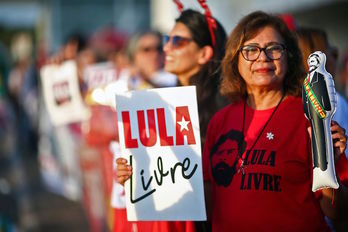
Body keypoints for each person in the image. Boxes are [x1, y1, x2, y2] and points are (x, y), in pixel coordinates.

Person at [202, 11, 348, 231]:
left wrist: (328, 167)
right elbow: (206, 203)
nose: (263, 57)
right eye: (251, 50)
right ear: (235, 59)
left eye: (274, 49)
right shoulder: (219, 122)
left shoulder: (311, 119)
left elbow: (339, 212)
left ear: (289, 57)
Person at [115, 7, 228, 232]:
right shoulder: (159, 101)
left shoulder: (227, 108)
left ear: (204, 54)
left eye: (177, 41)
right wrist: (130, 173)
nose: (165, 47)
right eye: (168, 39)